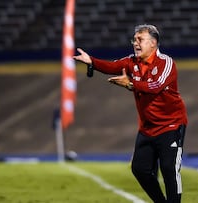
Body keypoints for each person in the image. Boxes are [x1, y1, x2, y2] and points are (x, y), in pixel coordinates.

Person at [73, 24, 188, 202]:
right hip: (148, 128)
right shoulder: (131, 61)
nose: (135, 43)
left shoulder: (166, 63)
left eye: (140, 39)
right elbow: (112, 66)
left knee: (169, 169)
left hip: (171, 125)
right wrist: (92, 62)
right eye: (134, 40)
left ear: (153, 43)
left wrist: (131, 84)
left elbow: (156, 86)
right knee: (139, 169)